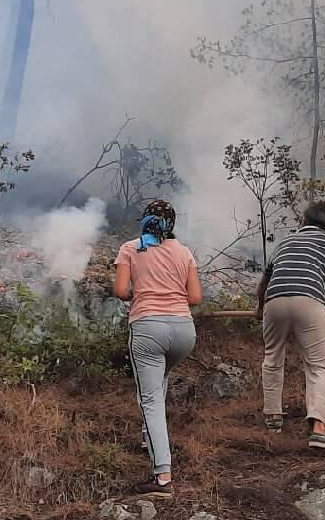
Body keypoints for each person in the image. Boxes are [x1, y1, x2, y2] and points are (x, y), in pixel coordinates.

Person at [113, 199, 202, 498]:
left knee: (149, 399)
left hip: (148, 328)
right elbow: (196, 297)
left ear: (145, 221)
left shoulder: (130, 248)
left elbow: (121, 291)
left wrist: (143, 291)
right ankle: (148, 438)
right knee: (157, 384)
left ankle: (162, 477)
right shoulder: (184, 251)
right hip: (183, 332)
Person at [255, 201, 325, 449]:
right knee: (320, 366)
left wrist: (260, 308)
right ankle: (318, 428)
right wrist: (315, 302)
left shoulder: (285, 242)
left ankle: (273, 417)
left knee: (272, 358)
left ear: (303, 222)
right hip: (309, 301)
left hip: (274, 301)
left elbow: (263, 284)